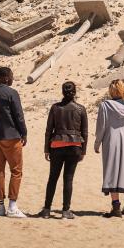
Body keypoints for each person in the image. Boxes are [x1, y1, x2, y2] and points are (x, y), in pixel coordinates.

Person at [37, 81, 88, 220]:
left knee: (52, 178)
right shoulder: (81, 109)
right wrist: (83, 150)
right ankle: (65, 211)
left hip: (57, 145)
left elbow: (49, 130)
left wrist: (46, 149)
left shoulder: (55, 108)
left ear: (62, 92)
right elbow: (85, 132)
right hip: (75, 146)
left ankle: (47, 210)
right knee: (68, 179)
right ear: (75, 92)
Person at [0, 66, 28, 218]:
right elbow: (18, 115)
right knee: (16, 171)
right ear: (7, 77)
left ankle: (0, 206)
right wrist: (24, 133)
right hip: (11, 136)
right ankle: (12, 206)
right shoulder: (11, 93)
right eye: (12, 75)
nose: (13, 78)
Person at [94, 79, 124, 218]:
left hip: (111, 140)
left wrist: (97, 143)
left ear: (111, 91)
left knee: (112, 172)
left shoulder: (105, 105)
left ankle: (116, 207)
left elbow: (101, 126)